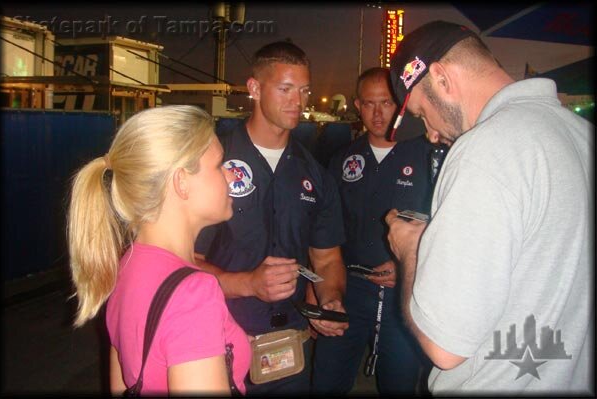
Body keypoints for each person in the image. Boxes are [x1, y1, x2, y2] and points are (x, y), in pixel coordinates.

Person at [384, 20, 593, 394]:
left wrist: (412, 251)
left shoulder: (485, 150)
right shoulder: (580, 134)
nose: (430, 133)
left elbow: (444, 347)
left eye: (422, 113)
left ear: (443, 79)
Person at [194, 41, 348, 394]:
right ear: (254, 88)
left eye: (304, 90)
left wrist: (329, 299)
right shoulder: (212, 163)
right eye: (285, 89)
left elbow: (327, 258)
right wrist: (248, 283)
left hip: (289, 342)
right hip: (219, 337)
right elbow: (184, 261)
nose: (298, 101)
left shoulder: (316, 174)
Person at [67, 105, 251, 395]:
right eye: (219, 165)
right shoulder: (194, 294)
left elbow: (124, 386)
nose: (230, 176)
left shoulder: (126, 266)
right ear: (181, 182)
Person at [312, 67, 440, 395]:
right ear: (358, 105)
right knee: (326, 380)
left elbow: (446, 226)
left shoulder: (428, 155)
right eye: (369, 104)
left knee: (399, 383)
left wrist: (406, 265)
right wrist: (313, 288)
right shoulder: (343, 160)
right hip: (348, 288)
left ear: (399, 104)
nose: (379, 113)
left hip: (403, 294)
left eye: (386, 102)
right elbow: (322, 232)